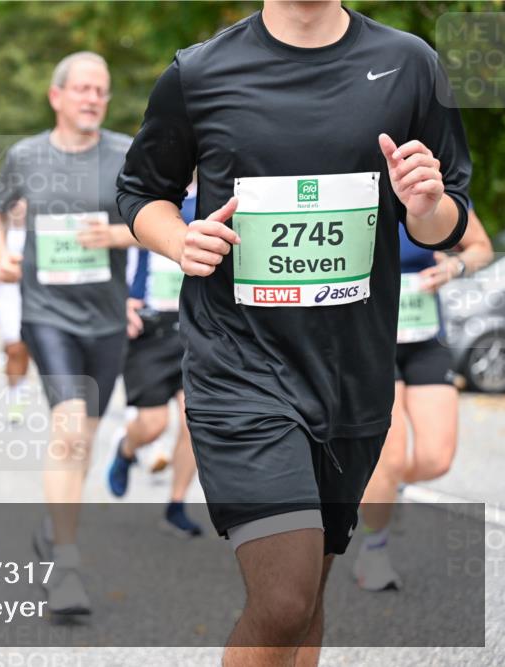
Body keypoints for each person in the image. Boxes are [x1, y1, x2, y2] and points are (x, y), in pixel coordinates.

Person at [116, 2, 472, 663]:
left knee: (307, 597)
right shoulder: (200, 73)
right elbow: (141, 192)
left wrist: (425, 206)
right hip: (239, 367)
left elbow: (447, 216)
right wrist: (179, 239)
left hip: (353, 376)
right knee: (283, 600)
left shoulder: (409, 64)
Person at [0, 51, 137, 615]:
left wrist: (117, 235)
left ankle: (55, 529)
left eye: (101, 90)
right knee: (69, 429)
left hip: (106, 317)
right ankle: (65, 566)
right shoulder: (25, 156)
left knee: (84, 440)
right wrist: (0, 253)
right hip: (47, 313)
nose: (93, 98)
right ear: (56, 96)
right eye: (83, 89)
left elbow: (160, 220)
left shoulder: (126, 153)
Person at [356, 207, 492, 591]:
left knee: (436, 458)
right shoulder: (351, 180)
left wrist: (454, 267)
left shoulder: (430, 187)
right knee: (391, 455)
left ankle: (381, 489)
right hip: (369, 339)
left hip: (425, 334)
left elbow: (480, 247)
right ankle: (374, 549)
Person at [107, 184, 202, 538]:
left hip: (195, 328)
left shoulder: (218, 191)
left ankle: (176, 505)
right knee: (153, 424)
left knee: (195, 422)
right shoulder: (142, 192)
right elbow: (111, 245)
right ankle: (126, 449)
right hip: (150, 329)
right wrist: (119, 301)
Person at [0, 199, 31, 424]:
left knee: (25, 348)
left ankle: (21, 385)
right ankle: (15, 395)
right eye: (14, 204)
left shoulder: (37, 232)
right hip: (6, 297)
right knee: (14, 347)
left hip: (32, 297)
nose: (18, 208)